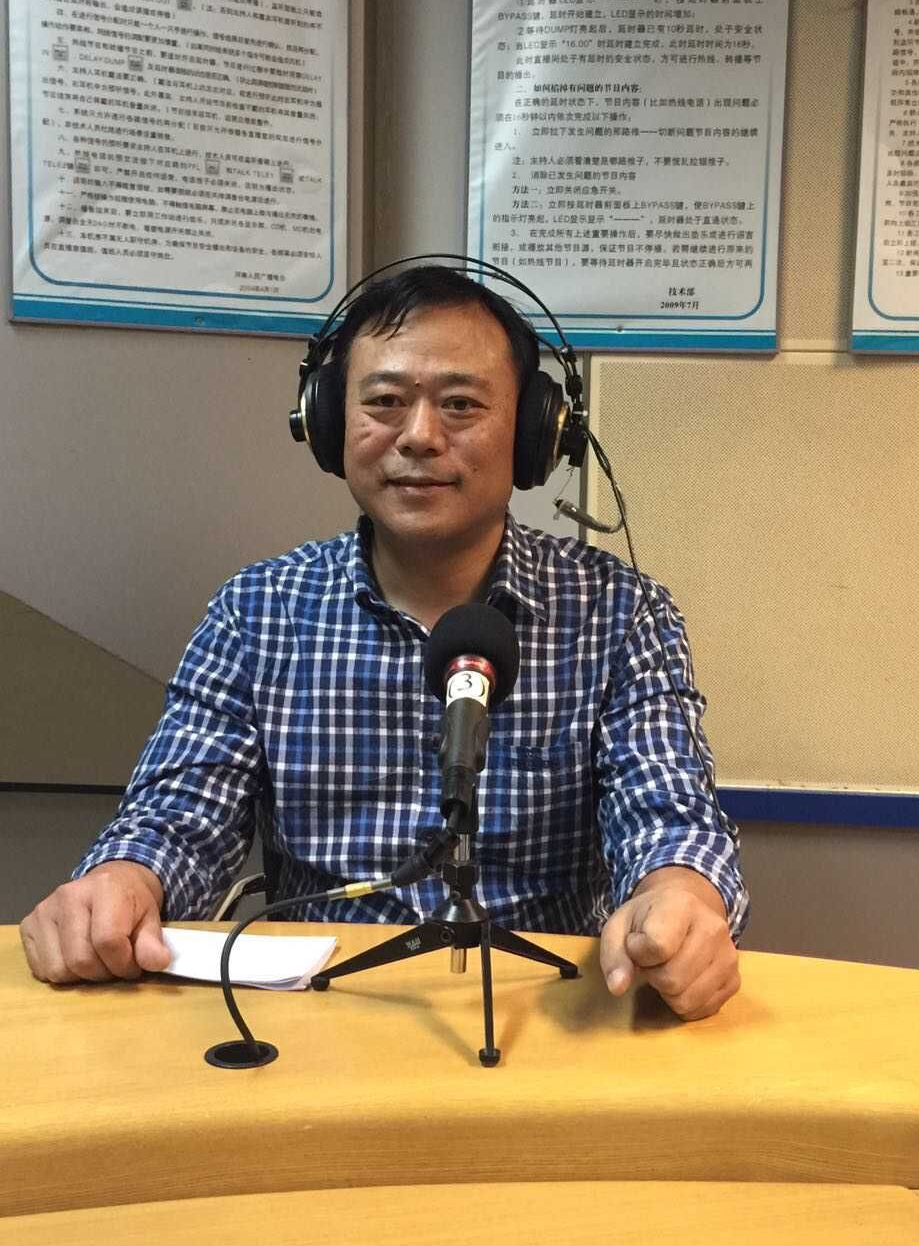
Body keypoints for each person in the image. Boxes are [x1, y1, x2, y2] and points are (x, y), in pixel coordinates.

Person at [20, 266, 748, 1020]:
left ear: (536, 433)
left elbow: (667, 813)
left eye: (461, 404)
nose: (420, 436)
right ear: (328, 422)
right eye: (385, 402)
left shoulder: (621, 613)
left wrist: (680, 892)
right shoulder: (258, 612)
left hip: (544, 1017)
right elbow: (178, 817)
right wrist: (125, 879)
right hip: (314, 1022)